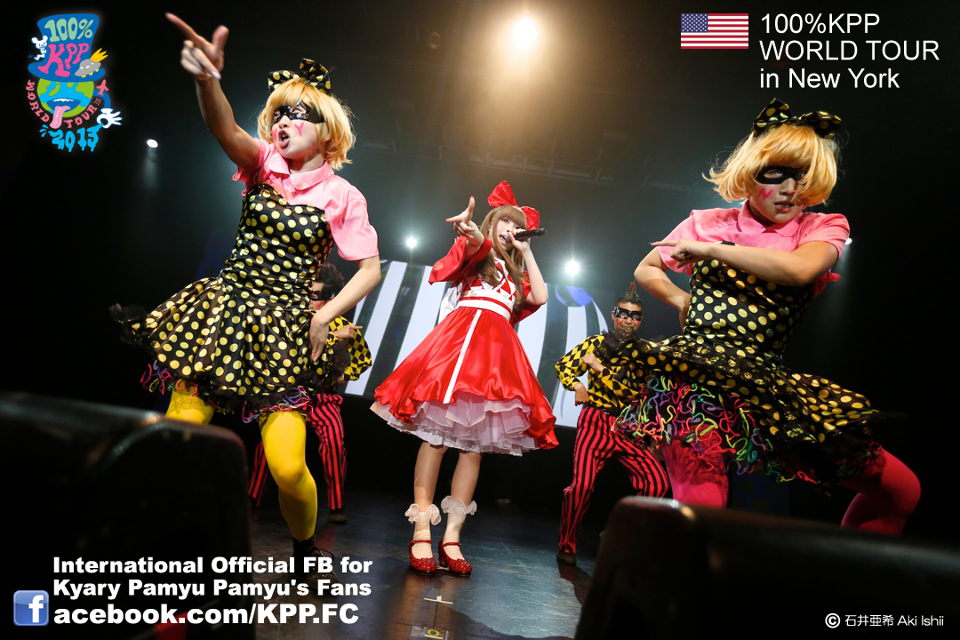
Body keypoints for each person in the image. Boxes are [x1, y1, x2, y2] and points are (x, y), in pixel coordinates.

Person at [111, 14, 381, 578]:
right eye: (278, 113)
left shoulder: (342, 195)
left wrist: (323, 317)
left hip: (282, 333)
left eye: (297, 114)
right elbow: (224, 128)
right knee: (180, 437)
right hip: (222, 315)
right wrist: (206, 80)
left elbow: (369, 270)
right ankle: (167, 554)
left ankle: (305, 551)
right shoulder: (262, 164)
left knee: (288, 469)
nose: (283, 123)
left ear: (326, 128)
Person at [620, 98, 919, 534]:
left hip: (765, 388)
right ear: (750, 173)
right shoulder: (708, 222)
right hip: (696, 383)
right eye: (777, 174)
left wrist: (711, 251)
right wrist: (683, 302)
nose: (791, 188)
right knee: (703, 511)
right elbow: (646, 268)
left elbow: (798, 271)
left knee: (900, 491)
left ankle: (841, 570)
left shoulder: (821, 227)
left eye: (803, 176)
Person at [372, 181, 558, 576]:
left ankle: (452, 537)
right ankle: (422, 530)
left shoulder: (516, 274)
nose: (511, 229)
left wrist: (527, 250)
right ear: (492, 225)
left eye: (517, 225)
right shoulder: (481, 255)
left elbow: (540, 298)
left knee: (473, 450)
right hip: (458, 349)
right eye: (505, 222)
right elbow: (474, 244)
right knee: (435, 441)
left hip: (493, 360)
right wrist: (472, 230)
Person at [247, 263, 371, 525]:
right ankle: (252, 496)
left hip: (322, 399)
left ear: (330, 299)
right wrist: (333, 336)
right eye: (307, 294)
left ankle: (337, 505)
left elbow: (361, 361)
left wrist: (338, 375)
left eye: (315, 296)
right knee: (269, 445)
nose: (309, 300)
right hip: (288, 395)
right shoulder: (291, 321)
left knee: (334, 443)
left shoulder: (344, 326)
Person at [554, 284, 669, 565]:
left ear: (641, 321)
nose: (628, 320)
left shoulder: (643, 352)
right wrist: (577, 385)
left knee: (657, 484)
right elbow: (563, 366)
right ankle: (567, 545)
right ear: (614, 314)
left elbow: (630, 392)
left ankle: (620, 532)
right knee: (581, 486)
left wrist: (598, 368)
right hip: (595, 421)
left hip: (628, 426)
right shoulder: (595, 343)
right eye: (624, 314)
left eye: (635, 316)